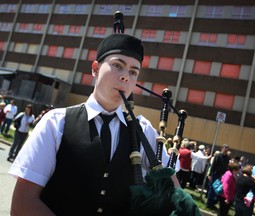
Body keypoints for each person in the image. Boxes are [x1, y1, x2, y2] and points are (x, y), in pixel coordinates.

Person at [8, 33, 176, 215]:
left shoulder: (144, 132)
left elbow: (174, 196)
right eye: (117, 65)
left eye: (133, 72)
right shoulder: (56, 123)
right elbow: (22, 204)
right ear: (95, 69)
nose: (125, 77)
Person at [206, 144, 230, 209]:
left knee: (218, 190)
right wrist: (210, 174)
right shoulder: (218, 156)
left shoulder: (227, 158)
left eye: (227, 148)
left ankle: (213, 203)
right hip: (215, 174)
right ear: (222, 148)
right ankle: (209, 204)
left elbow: (226, 167)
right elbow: (213, 165)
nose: (226, 149)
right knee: (212, 189)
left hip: (222, 176)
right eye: (225, 147)